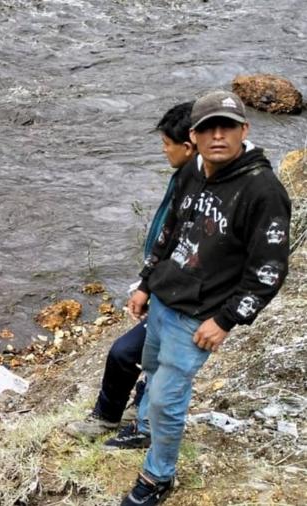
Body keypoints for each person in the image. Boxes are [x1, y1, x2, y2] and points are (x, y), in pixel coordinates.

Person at [121, 90, 291, 506]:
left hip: (198, 317)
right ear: (193, 136)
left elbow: (268, 271)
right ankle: (144, 429)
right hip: (164, 297)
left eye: (227, 127)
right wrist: (146, 282)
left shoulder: (263, 191)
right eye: (208, 128)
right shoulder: (192, 170)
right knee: (149, 367)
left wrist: (226, 320)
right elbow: (170, 230)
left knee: (167, 398)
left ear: (244, 130)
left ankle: (158, 477)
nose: (218, 136)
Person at [66, 102, 197, 445]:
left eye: (167, 144)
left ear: (188, 145)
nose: (163, 150)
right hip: (166, 289)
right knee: (141, 357)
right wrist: (147, 282)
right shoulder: (185, 177)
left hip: (184, 300)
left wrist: (154, 286)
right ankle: (124, 414)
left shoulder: (202, 188)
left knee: (131, 355)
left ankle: (129, 426)